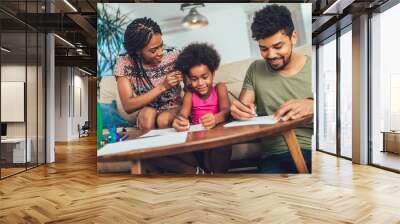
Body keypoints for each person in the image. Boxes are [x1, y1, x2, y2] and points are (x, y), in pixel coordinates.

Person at [230, 4, 313, 173]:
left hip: (313, 149)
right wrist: (239, 112)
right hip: (273, 155)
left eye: (278, 47)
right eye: (264, 49)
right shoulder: (256, 69)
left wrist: (314, 104)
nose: (271, 55)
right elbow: (243, 108)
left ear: (293, 37)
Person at [113, 17, 199, 174]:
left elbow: (190, 90)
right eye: (153, 50)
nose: (160, 53)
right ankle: (190, 170)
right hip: (147, 107)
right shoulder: (124, 63)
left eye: (161, 46)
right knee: (147, 115)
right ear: (137, 52)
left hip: (173, 107)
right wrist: (163, 86)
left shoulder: (174, 55)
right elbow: (128, 106)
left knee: (163, 119)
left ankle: (191, 167)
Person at [173, 43, 232, 173]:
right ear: (189, 79)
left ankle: (216, 178)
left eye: (205, 77)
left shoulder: (220, 88)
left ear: (213, 73)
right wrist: (179, 121)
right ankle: (204, 174)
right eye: (194, 79)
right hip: (198, 140)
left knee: (222, 147)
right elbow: (182, 114)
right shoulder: (190, 93)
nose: (200, 83)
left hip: (218, 135)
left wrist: (215, 119)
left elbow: (226, 111)